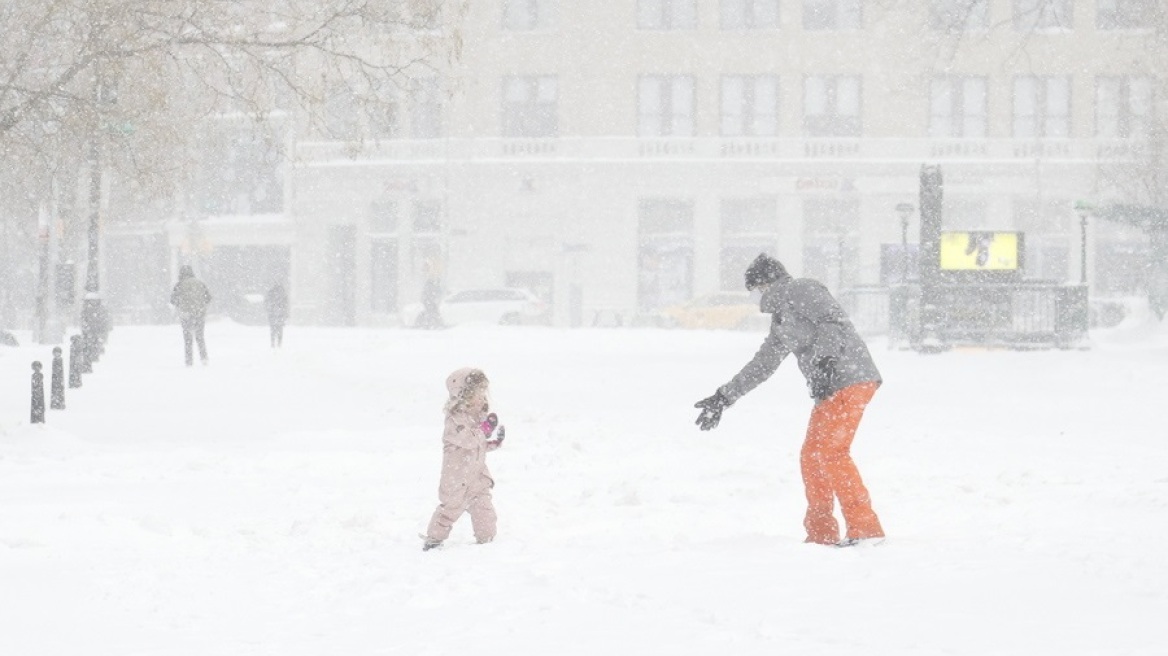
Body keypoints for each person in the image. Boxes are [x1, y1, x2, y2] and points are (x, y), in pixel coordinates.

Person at [693, 253, 885, 547]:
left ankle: (866, 530)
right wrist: (723, 397)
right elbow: (763, 364)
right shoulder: (781, 321)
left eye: (757, 289)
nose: (757, 296)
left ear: (766, 282)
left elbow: (831, 321)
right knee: (812, 457)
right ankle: (822, 533)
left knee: (833, 452)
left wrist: (824, 362)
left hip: (850, 378)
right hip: (829, 389)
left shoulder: (802, 289)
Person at [423, 367, 505, 551]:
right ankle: (434, 540)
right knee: (448, 512)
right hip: (457, 480)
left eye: (484, 393)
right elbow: (468, 440)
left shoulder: (477, 418)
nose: (482, 398)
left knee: (485, 513)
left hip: (477, 478)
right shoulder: (455, 420)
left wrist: (494, 442)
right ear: (464, 395)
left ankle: (488, 543)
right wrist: (484, 430)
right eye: (478, 393)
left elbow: (478, 445)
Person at [169, 265, 212, 366]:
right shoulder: (200, 283)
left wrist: (181, 305)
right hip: (199, 314)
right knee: (200, 337)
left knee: (188, 339)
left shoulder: (179, 284)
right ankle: (204, 358)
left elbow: (173, 300)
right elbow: (208, 298)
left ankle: (189, 361)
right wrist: (201, 306)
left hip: (186, 314)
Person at [264, 282, 289, 348]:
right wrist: (285, 313)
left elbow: (266, 302)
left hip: (273, 314)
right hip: (280, 314)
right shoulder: (283, 293)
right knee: (280, 329)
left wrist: (269, 310)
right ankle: (279, 343)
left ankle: (273, 342)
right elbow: (285, 304)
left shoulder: (271, 293)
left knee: (273, 329)